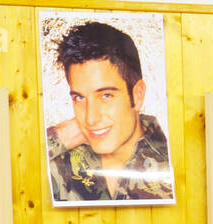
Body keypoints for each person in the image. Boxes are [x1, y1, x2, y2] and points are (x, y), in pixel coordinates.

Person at [46, 21, 173, 203]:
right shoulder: (59, 163)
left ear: (137, 95)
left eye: (106, 95)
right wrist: (59, 137)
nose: (91, 118)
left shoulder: (174, 159)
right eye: (80, 98)